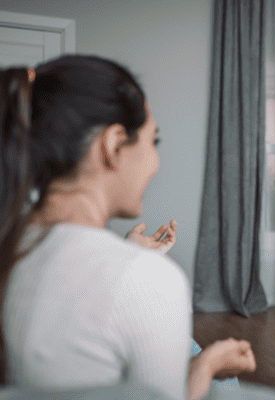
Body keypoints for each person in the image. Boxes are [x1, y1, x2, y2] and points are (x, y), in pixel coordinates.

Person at [0, 55, 255, 400]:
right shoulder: (149, 280)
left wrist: (126, 252)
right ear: (114, 145)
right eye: (154, 141)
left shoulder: (12, 245)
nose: (155, 162)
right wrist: (208, 365)